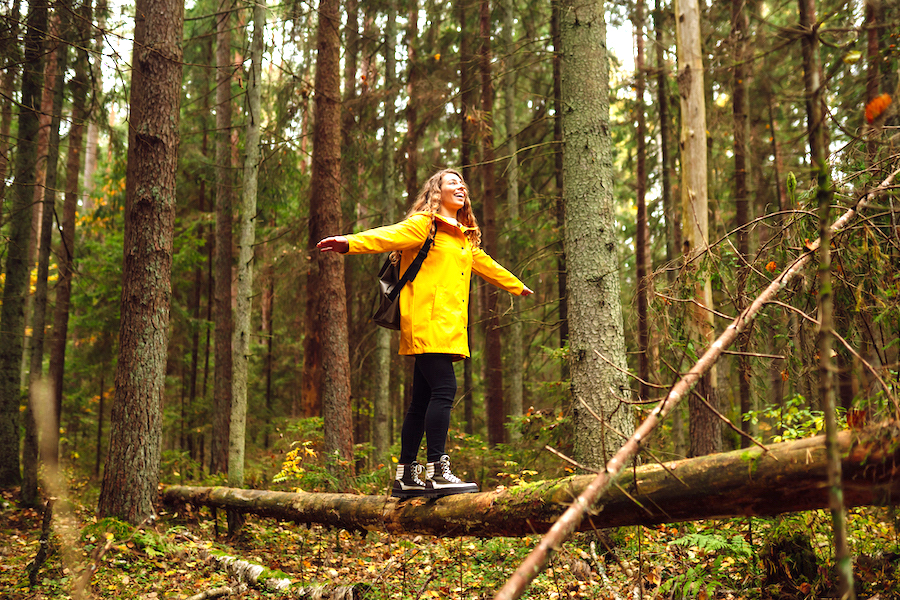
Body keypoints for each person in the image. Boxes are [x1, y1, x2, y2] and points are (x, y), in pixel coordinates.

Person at [317, 168, 533, 499]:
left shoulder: (462, 237)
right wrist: (348, 243)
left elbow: (486, 264)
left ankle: (405, 475)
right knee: (445, 389)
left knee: (420, 400)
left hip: (449, 328)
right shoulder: (425, 225)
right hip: (427, 323)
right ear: (437, 191)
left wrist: (517, 286)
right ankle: (438, 471)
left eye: (463, 184)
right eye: (452, 183)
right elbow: (387, 235)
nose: (461, 187)